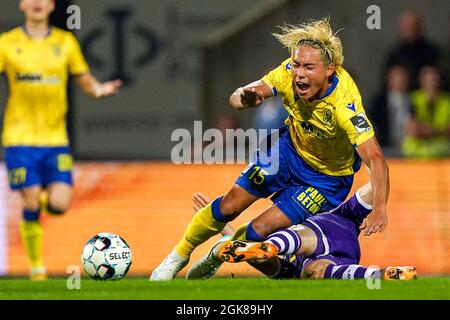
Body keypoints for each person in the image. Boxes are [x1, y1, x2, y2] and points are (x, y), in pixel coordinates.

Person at [150, 18, 389, 281]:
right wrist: (247, 96)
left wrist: (379, 208)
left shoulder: (345, 105)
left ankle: (217, 255)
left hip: (325, 180)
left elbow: (375, 158)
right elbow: (237, 98)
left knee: (258, 232)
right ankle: (177, 256)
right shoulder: (287, 74)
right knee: (229, 204)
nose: (299, 73)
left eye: (309, 67)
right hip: (288, 152)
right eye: (296, 64)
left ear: (329, 70)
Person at [0, 0, 121, 280]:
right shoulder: (7, 43)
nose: (37, 3)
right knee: (29, 201)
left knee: (60, 204)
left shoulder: (65, 42)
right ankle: (36, 268)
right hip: (19, 137)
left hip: (55, 138)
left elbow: (84, 79)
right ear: (22, 4)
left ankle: (39, 202)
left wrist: (100, 90)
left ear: (52, 4)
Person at [188, 186, 416, 281]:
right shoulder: (339, 214)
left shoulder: (341, 212)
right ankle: (383, 275)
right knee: (313, 272)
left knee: (297, 252)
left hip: (322, 232)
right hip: (337, 258)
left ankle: (270, 248)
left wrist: (379, 207)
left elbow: (376, 185)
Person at [384, 10, 442, 90]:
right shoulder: (394, 56)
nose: (410, 30)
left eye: (413, 26)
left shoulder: (433, 53)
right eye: (406, 27)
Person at [402, 66, 450, 159]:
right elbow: (413, 130)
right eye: (427, 81)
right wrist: (440, 131)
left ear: (439, 82)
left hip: (442, 151)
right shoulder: (412, 99)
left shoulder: (447, 101)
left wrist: (428, 131)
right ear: (421, 82)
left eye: (434, 80)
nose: (431, 84)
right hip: (416, 152)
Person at [369, 65, 411, 150]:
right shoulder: (379, 103)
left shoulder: (413, 100)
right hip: (386, 148)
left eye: (402, 76)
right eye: (396, 76)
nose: (400, 80)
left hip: (410, 148)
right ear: (388, 78)